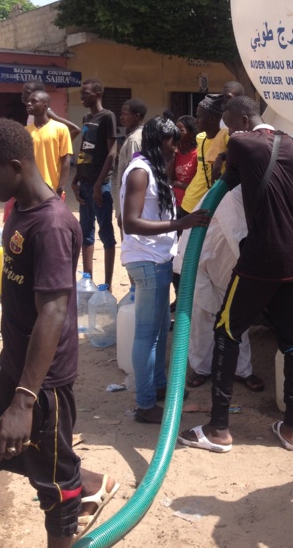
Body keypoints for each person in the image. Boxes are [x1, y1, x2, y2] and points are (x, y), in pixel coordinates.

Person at [0, 119, 119, 547]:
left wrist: (24, 400)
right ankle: (80, 478)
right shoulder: (19, 209)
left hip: (42, 381)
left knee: (54, 492)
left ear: (15, 166)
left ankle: (68, 490)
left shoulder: (51, 224)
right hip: (15, 358)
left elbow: (53, 311)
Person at [179, 96, 293, 453]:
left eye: (228, 122)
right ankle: (292, 428)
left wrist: (225, 160)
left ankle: (219, 428)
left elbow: (229, 179)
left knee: (227, 331)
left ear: (241, 119)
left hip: (259, 258)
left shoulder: (241, 142)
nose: (227, 129)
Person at [121, 116, 210, 424]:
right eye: (172, 141)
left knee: (160, 331)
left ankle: (158, 387)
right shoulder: (139, 173)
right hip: (146, 261)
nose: (176, 147)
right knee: (147, 335)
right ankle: (145, 405)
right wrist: (180, 224)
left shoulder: (154, 170)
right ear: (160, 142)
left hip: (157, 259)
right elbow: (129, 222)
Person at [175, 184, 264, 392]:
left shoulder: (258, 194)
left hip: (227, 261)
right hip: (200, 258)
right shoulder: (231, 195)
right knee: (202, 313)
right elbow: (241, 239)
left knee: (236, 315)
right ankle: (202, 368)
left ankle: (242, 370)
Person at [72, 78, 117, 291]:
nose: (81, 97)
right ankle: (87, 280)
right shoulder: (86, 117)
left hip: (101, 186)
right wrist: (75, 180)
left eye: (85, 93)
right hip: (85, 185)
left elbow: (112, 152)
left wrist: (99, 184)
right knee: (86, 233)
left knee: (106, 234)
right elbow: (84, 150)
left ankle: (107, 285)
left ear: (97, 94)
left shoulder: (107, 117)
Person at [180, 94, 225, 215]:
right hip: (189, 202)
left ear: (211, 119)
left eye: (199, 117)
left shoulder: (226, 138)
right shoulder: (200, 138)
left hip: (209, 205)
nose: (196, 121)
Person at [26, 90, 73, 196]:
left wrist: (60, 187)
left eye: (34, 101)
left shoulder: (61, 129)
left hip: (52, 189)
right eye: (28, 101)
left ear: (44, 106)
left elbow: (66, 159)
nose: (29, 104)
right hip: (30, 189)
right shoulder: (25, 131)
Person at [113, 98, 147, 227]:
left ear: (136, 116)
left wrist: (125, 211)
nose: (121, 118)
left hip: (128, 204)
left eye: (124, 114)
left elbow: (133, 174)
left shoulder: (134, 139)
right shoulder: (138, 135)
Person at [172, 115, 198, 214]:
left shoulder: (197, 154)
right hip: (174, 203)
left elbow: (197, 185)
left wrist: (178, 183)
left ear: (191, 133)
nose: (177, 134)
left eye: (181, 131)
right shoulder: (174, 152)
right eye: (175, 130)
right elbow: (169, 180)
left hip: (189, 205)